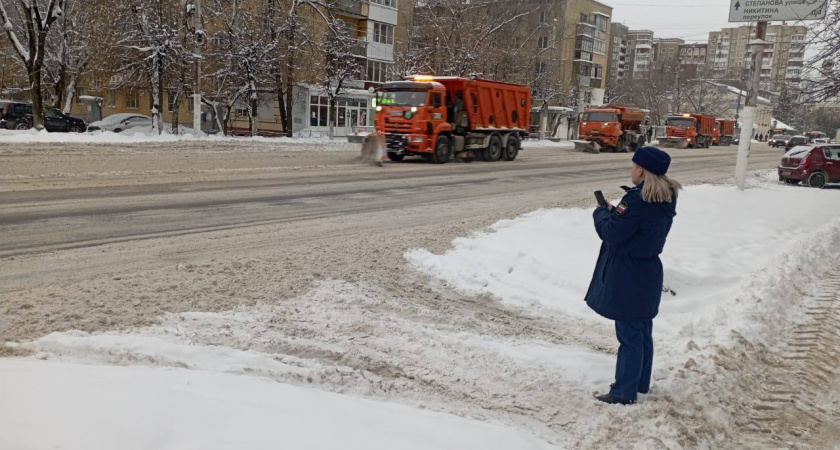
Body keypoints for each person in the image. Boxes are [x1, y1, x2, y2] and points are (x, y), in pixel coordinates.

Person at [585, 146, 682, 405]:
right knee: (641, 332)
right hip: (647, 272)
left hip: (628, 275)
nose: (631, 170)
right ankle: (639, 384)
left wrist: (601, 212)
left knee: (629, 335)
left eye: (633, 166)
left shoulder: (637, 200)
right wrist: (616, 212)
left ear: (641, 170)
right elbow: (633, 225)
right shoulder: (665, 197)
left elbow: (612, 234)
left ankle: (623, 391)